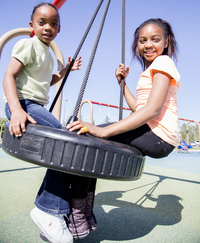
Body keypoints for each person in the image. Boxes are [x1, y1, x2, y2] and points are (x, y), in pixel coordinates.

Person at [3, 2, 96, 243]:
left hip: (35, 105)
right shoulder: (28, 44)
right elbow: (9, 76)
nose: (48, 27)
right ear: (31, 25)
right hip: (24, 104)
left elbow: (47, 80)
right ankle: (48, 211)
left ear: (59, 28)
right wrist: (15, 110)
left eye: (53, 23)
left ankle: (52, 211)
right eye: (42, 22)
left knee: (64, 148)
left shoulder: (45, 53)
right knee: (66, 143)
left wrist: (65, 70)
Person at [67, 18, 180, 159]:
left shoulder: (163, 62)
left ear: (166, 42)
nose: (148, 45)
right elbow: (139, 108)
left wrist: (105, 131)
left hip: (158, 135)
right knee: (89, 136)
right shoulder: (151, 69)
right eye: (143, 41)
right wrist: (123, 84)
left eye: (155, 40)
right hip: (153, 133)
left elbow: (153, 109)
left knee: (88, 135)